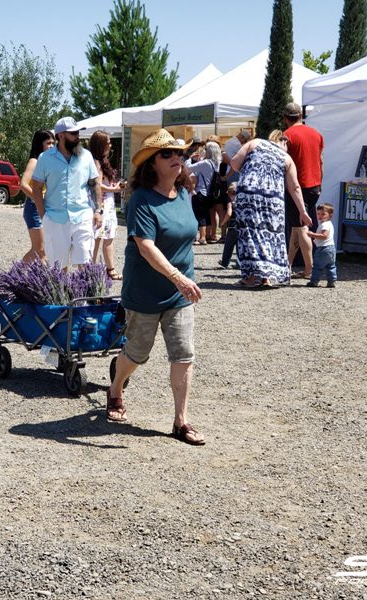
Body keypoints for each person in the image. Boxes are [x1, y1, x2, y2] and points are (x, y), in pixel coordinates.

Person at [108, 129, 205, 446]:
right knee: (137, 354)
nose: (177, 157)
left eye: (180, 153)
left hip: (179, 294)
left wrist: (183, 279)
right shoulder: (141, 200)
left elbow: (186, 238)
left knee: (183, 354)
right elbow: (146, 246)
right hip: (145, 292)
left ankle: (181, 421)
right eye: (168, 153)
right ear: (152, 163)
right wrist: (178, 276)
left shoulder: (186, 196)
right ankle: (116, 387)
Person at [230, 130, 312, 288]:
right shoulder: (286, 158)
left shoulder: (255, 143)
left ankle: (252, 277)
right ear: (284, 142)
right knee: (271, 235)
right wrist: (303, 211)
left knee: (250, 234)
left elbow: (234, 163)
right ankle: (267, 276)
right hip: (272, 200)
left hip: (249, 193)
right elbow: (294, 187)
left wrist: (249, 171)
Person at [30, 117, 101, 269]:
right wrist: (44, 216)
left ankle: (85, 294)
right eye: (73, 133)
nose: (78, 136)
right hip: (55, 218)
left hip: (83, 216)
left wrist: (98, 210)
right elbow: (36, 188)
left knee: (86, 265)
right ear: (61, 135)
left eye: (78, 132)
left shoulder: (86, 156)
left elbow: (94, 183)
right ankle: (62, 293)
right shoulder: (45, 158)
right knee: (59, 267)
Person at [283, 102, 323, 279]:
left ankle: (309, 269)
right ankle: (287, 266)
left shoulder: (287, 135)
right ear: (301, 116)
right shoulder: (316, 134)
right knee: (295, 228)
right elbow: (321, 161)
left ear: (286, 118)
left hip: (297, 187)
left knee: (301, 229)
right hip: (314, 185)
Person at [89, 130, 125, 279]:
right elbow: (96, 184)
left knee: (108, 237)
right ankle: (90, 270)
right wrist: (114, 189)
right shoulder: (96, 162)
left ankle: (109, 269)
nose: (110, 144)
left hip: (108, 203)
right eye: (108, 142)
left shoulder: (102, 161)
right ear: (100, 144)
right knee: (97, 238)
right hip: (101, 203)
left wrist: (114, 186)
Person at [18, 129, 55, 263]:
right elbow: (23, 184)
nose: (52, 146)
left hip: (45, 208)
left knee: (42, 249)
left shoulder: (47, 162)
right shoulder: (34, 161)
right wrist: (38, 198)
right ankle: (16, 276)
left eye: (53, 143)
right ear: (40, 144)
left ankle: (19, 276)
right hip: (33, 208)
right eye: (48, 143)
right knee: (39, 249)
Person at [189, 141, 221, 244]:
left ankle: (202, 237)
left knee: (200, 214)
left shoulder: (205, 163)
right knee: (207, 214)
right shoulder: (217, 162)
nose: (204, 151)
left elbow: (188, 168)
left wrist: (190, 158)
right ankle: (208, 235)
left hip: (201, 191)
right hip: (211, 193)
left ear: (209, 151)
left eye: (206, 149)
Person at [306, 203, 337, 288]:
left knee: (317, 267)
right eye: (318, 213)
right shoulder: (329, 224)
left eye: (323, 214)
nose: (320, 216)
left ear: (330, 216)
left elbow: (324, 236)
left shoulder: (325, 225)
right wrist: (316, 240)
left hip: (323, 249)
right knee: (331, 266)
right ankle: (332, 281)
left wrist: (312, 235)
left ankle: (314, 281)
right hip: (331, 248)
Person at [217, 183, 239, 269]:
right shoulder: (242, 200)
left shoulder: (230, 202)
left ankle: (225, 262)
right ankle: (239, 263)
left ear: (229, 193)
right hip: (241, 226)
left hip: (232, 226)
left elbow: (229, 213)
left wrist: (223, 222)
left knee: (228, 245)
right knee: (239, 245)